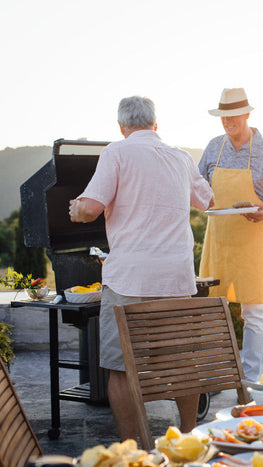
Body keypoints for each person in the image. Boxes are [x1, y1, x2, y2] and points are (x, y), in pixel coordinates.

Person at [69, 96, 215, 441]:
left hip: (130, 279)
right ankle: (189, 438)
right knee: (182, 362)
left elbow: (90, 208)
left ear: (121, 127)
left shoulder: (116, 152)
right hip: (177, 279)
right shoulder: (180, 156)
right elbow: (208, 201)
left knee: (120, 368)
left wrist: (75, 209)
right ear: (155, 124)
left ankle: (133, 449)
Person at [198, 88, 263, 382]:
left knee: (253, 312)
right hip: (218, 241)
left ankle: (250, 379)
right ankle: (214, 376)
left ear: (247, 114)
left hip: (252, 241)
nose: (228, 121)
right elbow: (197, 189)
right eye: (223, 116)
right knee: (212, 310)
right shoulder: (213, 147)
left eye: (233, 115)